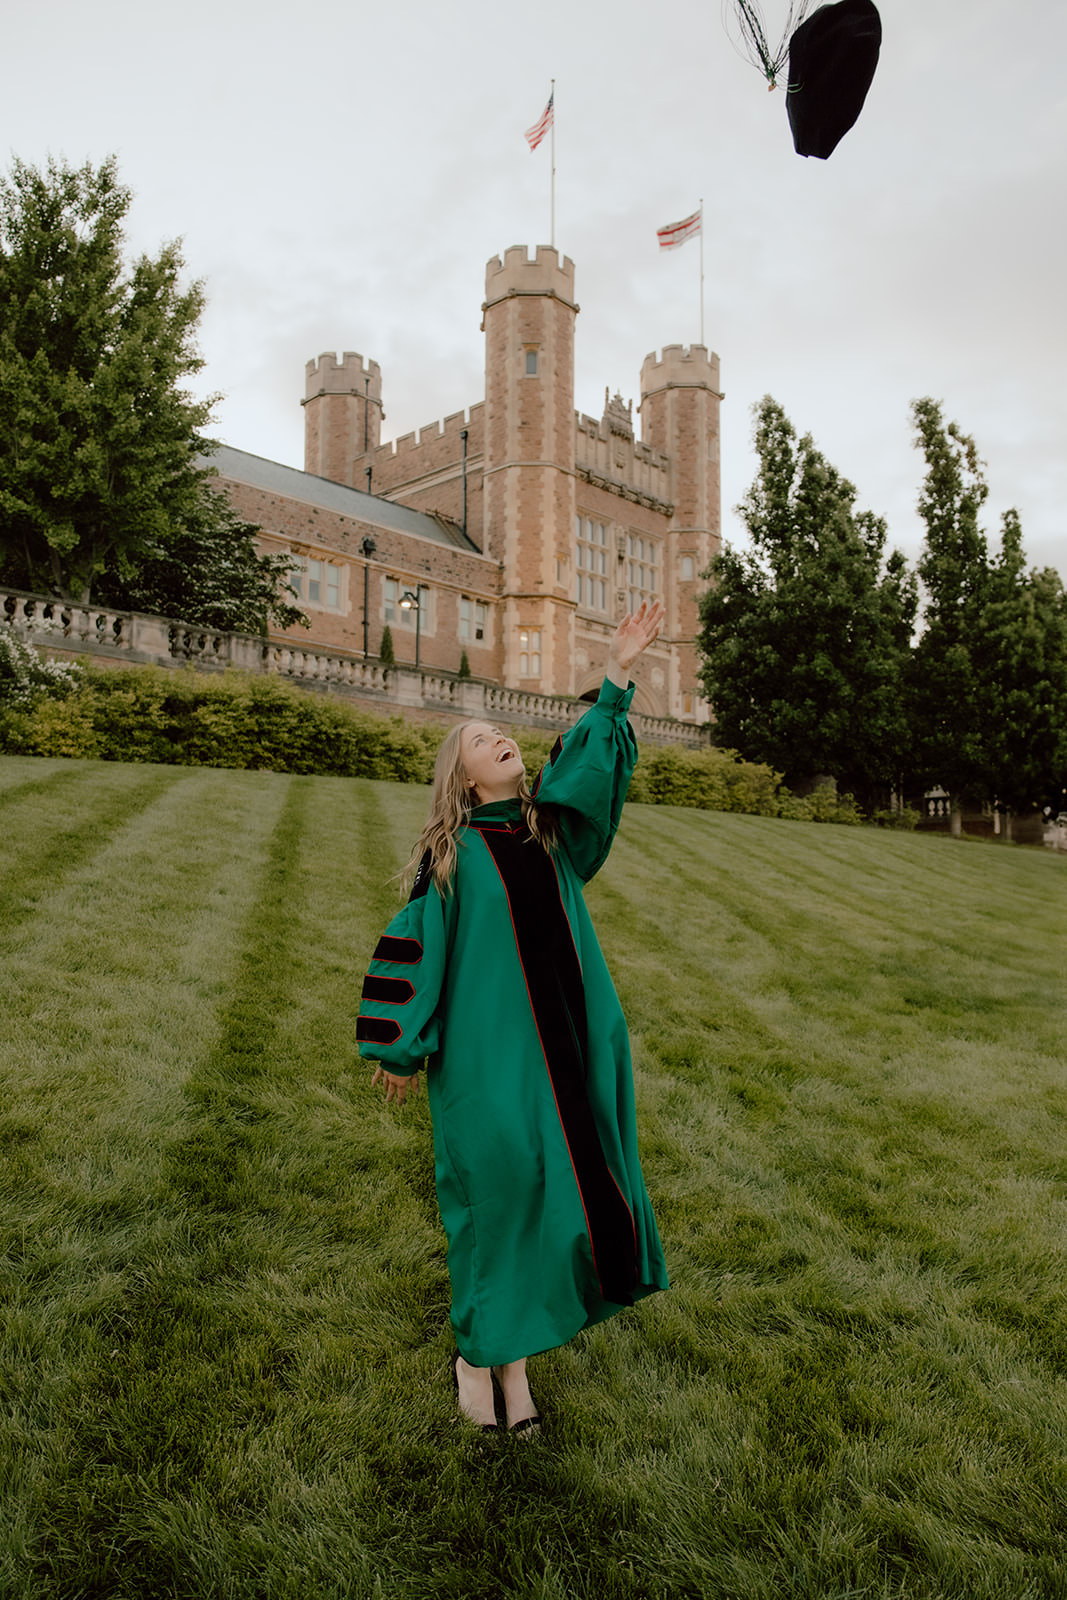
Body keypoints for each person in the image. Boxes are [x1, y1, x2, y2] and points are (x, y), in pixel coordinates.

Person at [356, 601, 669, 1434]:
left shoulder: (548, 835)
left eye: (502, 732)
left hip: (568, 1047)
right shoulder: (449, 857)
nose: (498, 737)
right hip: (489, 1061)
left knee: (551, 1194)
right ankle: (475, 1356)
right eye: (476, 739)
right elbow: (416, 946)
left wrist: (619, 674)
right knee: (497, 1198)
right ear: (462, 779)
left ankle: (515, 1370)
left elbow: (586, 771)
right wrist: (399, 1046)